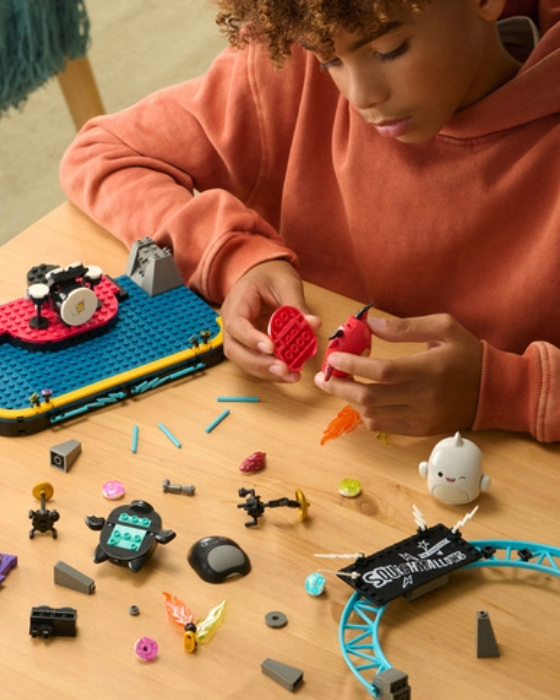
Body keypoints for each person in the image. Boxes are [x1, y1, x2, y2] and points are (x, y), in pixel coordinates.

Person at [60, 0, 560, 442]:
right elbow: (103, 152)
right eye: (330, 61)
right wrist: (235, 255)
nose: (360, 96)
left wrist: (508, 390)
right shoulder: (295, 61)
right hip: (303, 437)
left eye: (389, 50)